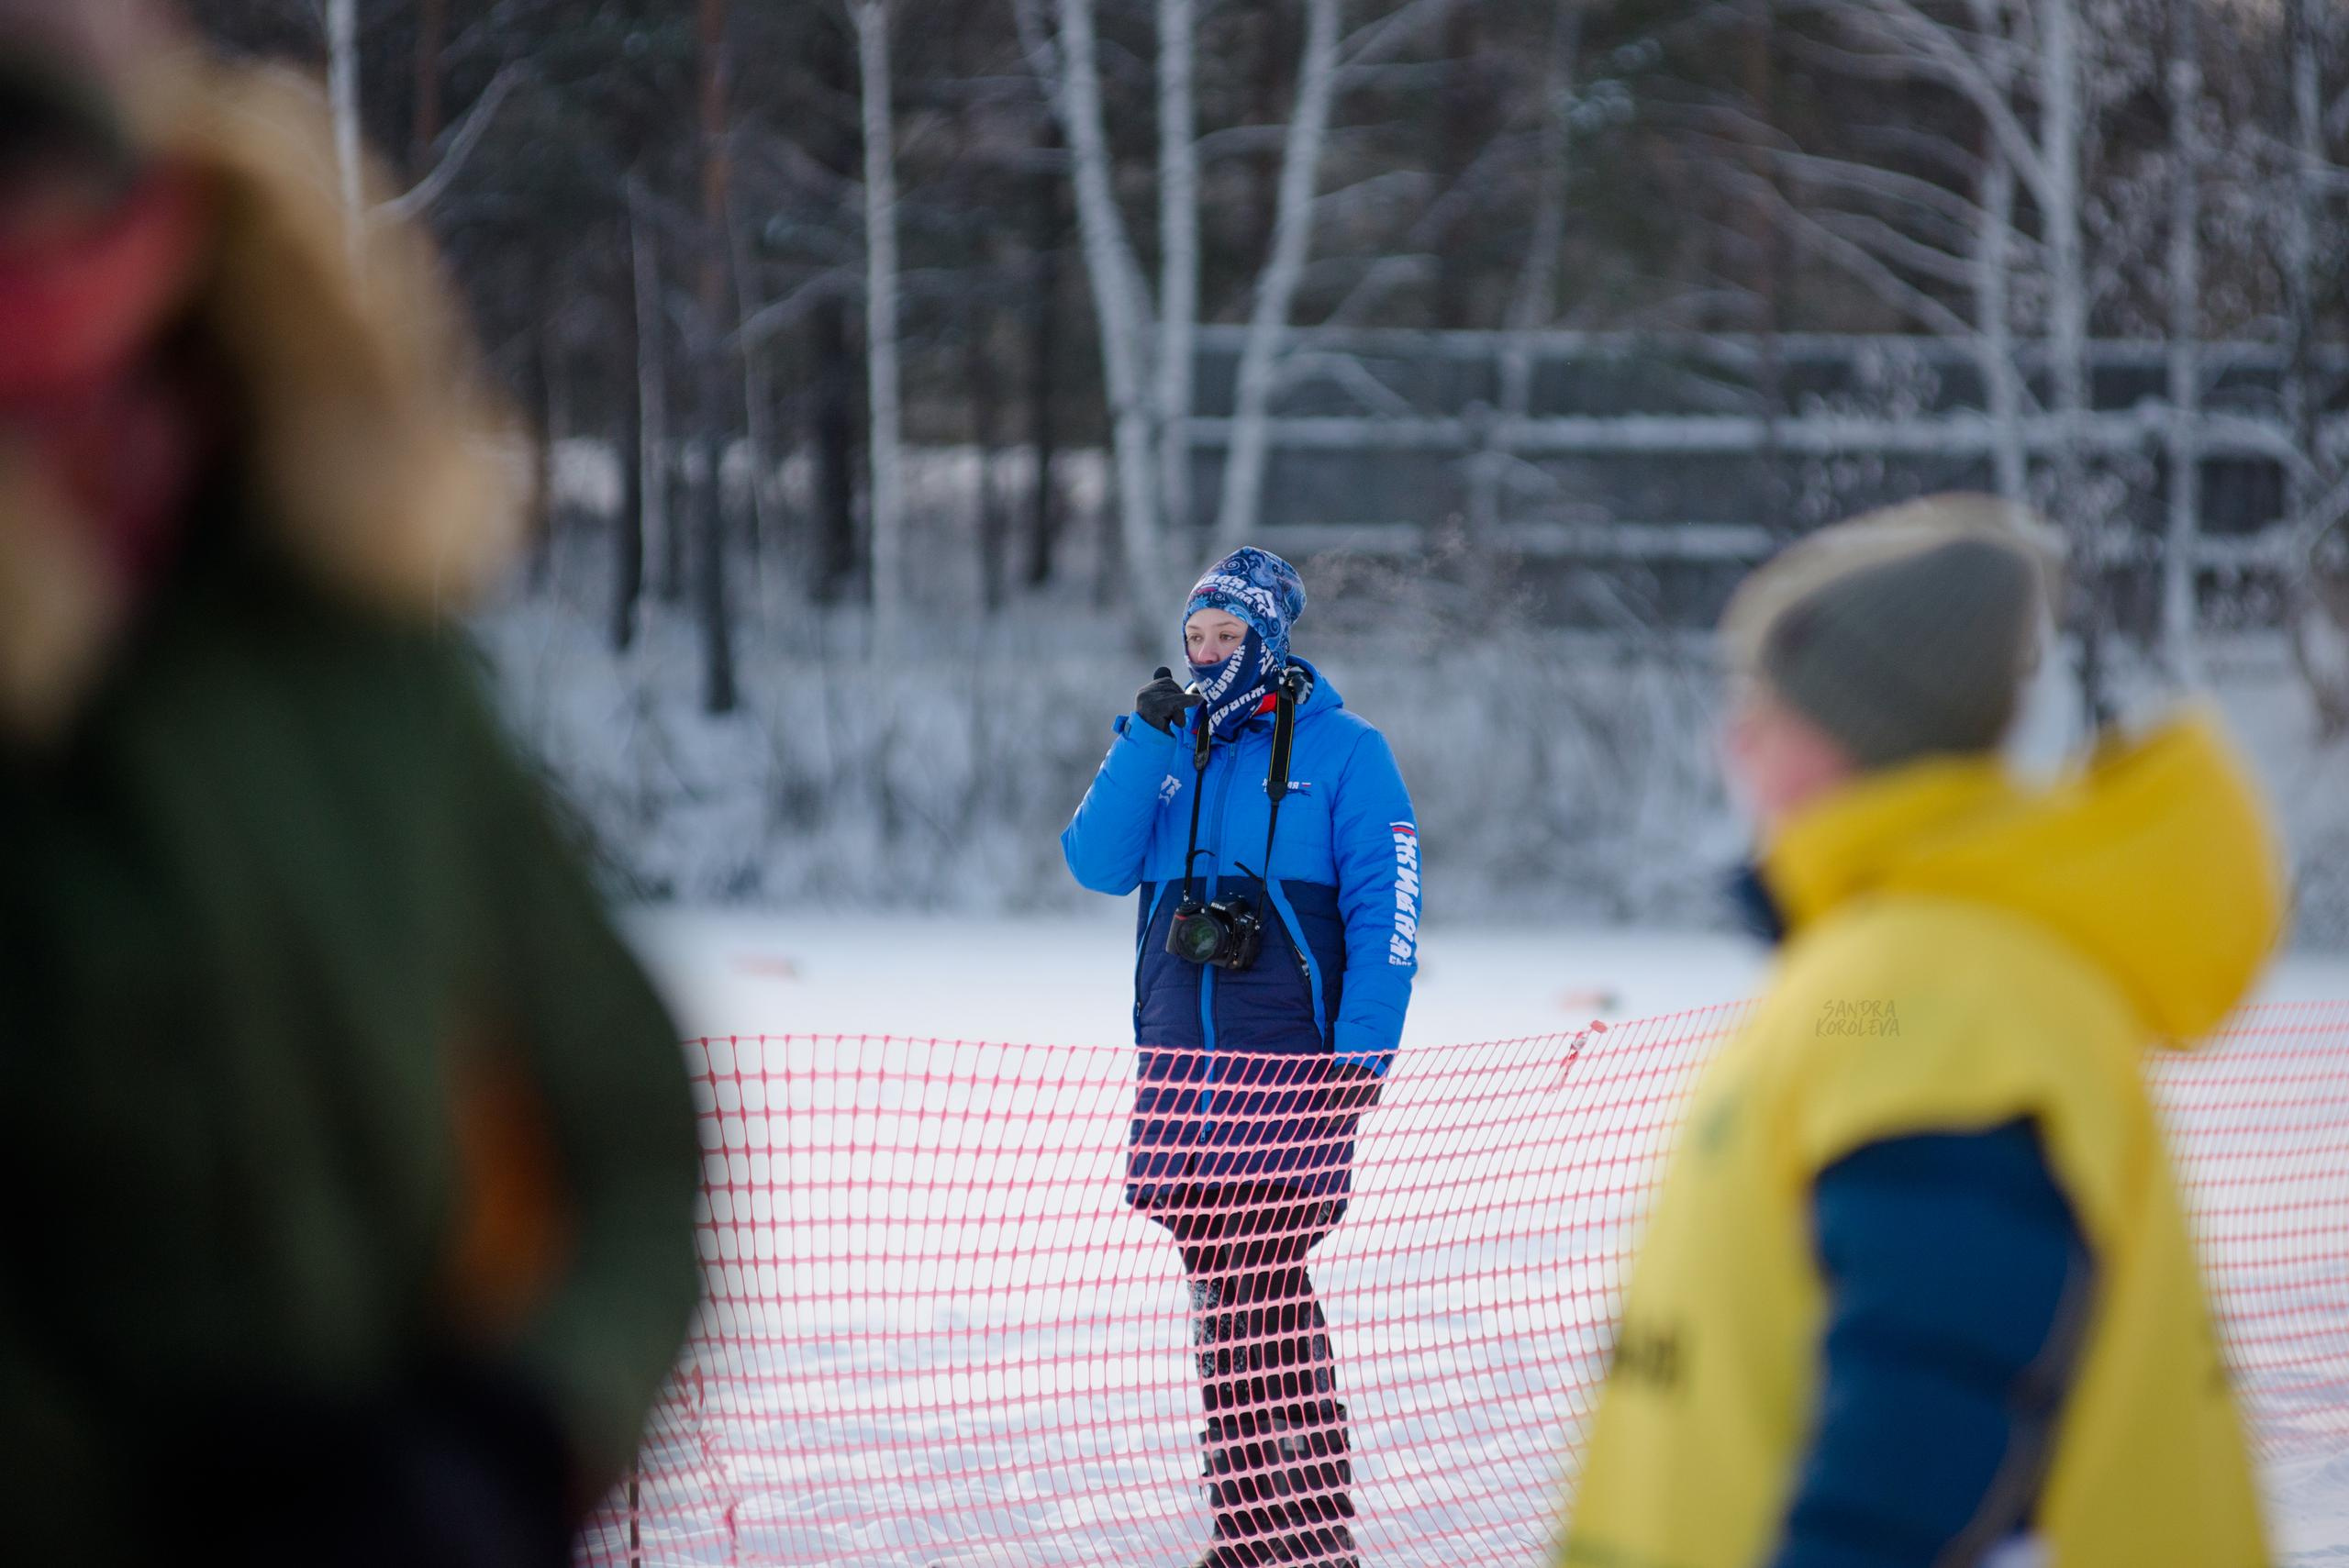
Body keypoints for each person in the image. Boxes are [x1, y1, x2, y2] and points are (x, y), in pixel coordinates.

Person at [0, 6, 700, 1564]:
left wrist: (514, 1433)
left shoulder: (359, 650)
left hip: (1274, 1075)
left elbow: (624, 1125)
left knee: (1261, 1331)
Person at [1556, 494, 2287, 1568]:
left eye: (1764, 704)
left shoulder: (1930, 986)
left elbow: (1923, 1423)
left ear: (1850, 728)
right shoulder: (1917, 965)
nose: (1735, 738)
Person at [1063, 546, 1419, 1568]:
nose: (1209, 653)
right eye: (1196, 636)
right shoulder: (1170, 746)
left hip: (1289, 1077)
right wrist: (1144, 740)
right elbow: (1094, 861)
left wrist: (1362, 1050)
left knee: (1261, 1294)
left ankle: (1299, 1533)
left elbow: (1387, 905)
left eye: (1229, 637)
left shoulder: (1349, 752)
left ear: (1268, 640)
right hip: (1183, 1082)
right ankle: (1258, 1529)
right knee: (1228, 1303)